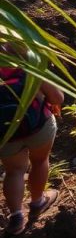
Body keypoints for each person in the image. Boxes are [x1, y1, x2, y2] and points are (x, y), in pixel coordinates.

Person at [0, 67, 62, 235]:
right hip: (38, 127)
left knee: (14, 172)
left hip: (5, 136)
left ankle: (16, 218)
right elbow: (58, 97)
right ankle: (37, 202)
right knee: (40, 161)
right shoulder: (29, 63)